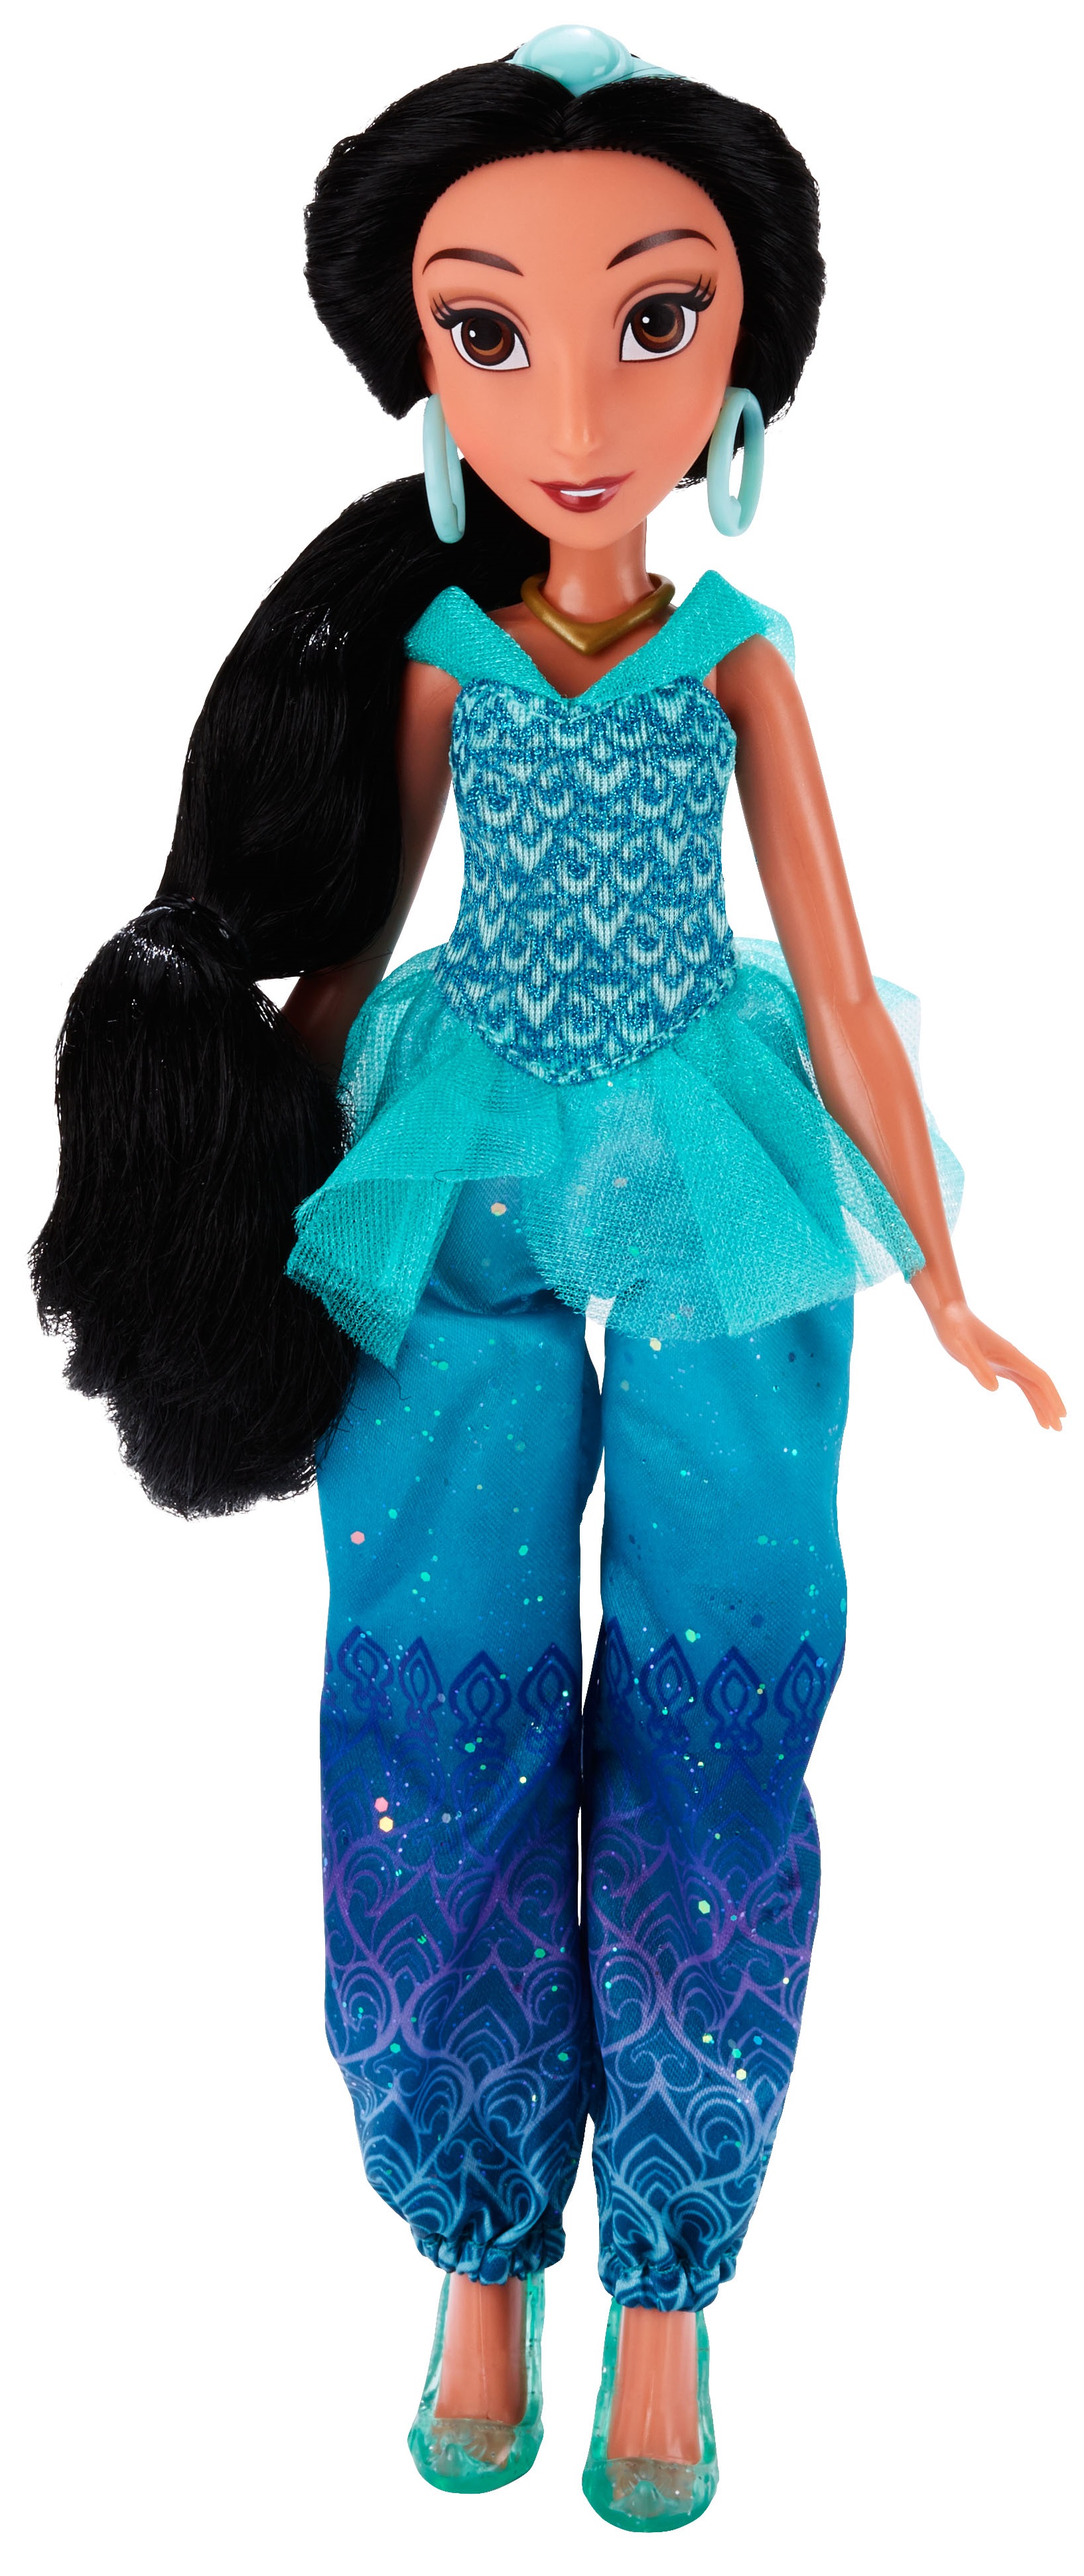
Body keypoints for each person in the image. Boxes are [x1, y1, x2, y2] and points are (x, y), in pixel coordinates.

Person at [33, 25, 1063, 2535]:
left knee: (726, 1693)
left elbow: (834, 980)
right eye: (489, 333)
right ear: (419, 369)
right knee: (434, 1697)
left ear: (741, 360)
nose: (575, 406)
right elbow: (349, 938)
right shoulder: (439, 657)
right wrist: (230, 1159)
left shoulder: (743, 655)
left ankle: (672, 2270)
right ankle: (476, 2239)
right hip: (461, 1154)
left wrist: (940, 1270)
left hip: (719, 1177)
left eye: (653, 323)